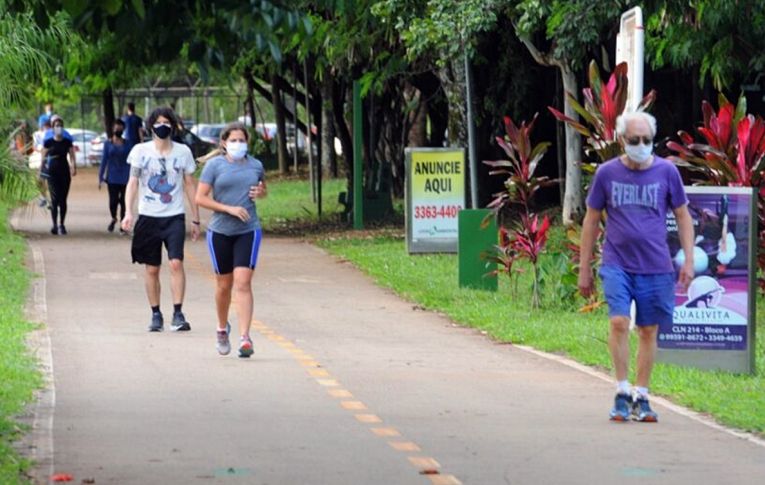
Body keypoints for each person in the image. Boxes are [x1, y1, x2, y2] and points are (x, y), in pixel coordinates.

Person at [578, 111, 695, 423]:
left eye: (646, 140)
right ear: (621, 140)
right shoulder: (606, 174)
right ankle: (621, 389)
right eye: (634, 140)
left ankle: (642, 395)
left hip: (656, 266)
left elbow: (683, 216)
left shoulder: (667, 172)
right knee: (618, 322)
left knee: (648, 329)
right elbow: (590, 220)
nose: (641, 145)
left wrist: (689, 261)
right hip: (617, 262)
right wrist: (584, 267)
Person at [121, 106, 200, 332]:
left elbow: (189, 185)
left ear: (173, 126)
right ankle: (156, 313)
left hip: (174, 216)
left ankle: (178, 312)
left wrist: (195, 218)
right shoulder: (140, 151)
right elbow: (133, 183)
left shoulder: (183, 152)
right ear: (150, 126)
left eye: (167, 123)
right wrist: (128, 212)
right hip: (148, 217)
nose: (162, 127)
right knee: (152, 268)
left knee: (176, 262)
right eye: (158, 123)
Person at [195, 122, 266, 357]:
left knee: (243, 282)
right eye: (233, 140)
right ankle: (221, 328)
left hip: (248, 229)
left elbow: (262, 189)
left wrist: (262, 193)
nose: (238, 144)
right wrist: (228, 209)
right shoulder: (215, 166)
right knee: (224, 285)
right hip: (220, 232)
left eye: (242, 140)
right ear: (224, 143)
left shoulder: (255, 165)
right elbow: (200, 198)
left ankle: (245, 338)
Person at [41, 115, 76, 235]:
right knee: (54, 200)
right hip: (52, 172)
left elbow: (71, 156)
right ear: (52, 128)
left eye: (60, 125)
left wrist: (73, 167)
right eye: (56, 126)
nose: (59, 127)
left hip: (64, 171)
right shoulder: (48, 142)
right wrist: (42, 171)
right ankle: (54, 224)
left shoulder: (67, 142)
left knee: (63, 200)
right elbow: (43, 158)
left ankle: (62, 224)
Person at [98, 119, 130, 233]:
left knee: (124, 201)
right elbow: (104, 161)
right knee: (113, 201)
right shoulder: (108, 144)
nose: (118, 130)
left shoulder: (128, 144)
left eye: (120, 128)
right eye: (116, 128)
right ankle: (113, 217)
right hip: (112, 177)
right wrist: (100, 177)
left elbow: (132, 160)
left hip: (126, 176)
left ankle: (123, 223)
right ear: (112, 129)